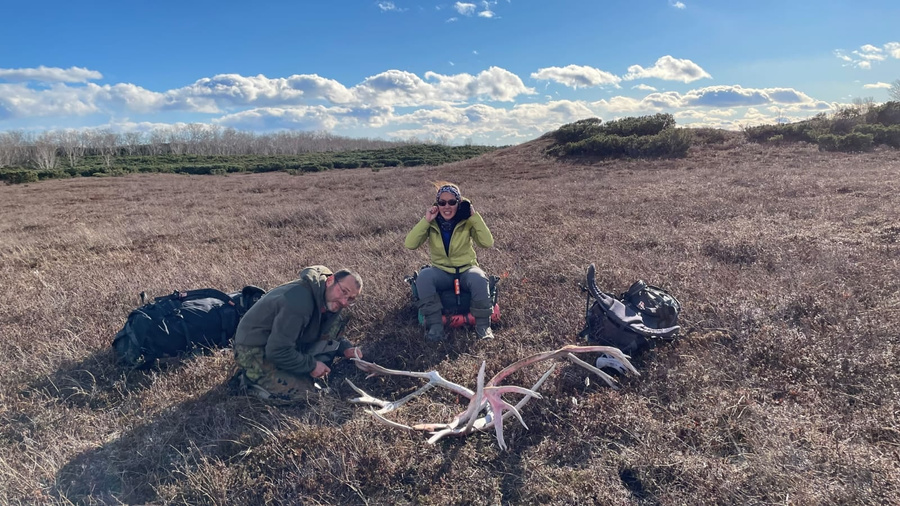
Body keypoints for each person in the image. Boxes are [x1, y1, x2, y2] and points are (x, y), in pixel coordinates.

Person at [232, 265, 363, 403]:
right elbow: (276, 350)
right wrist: (312, 365)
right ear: (330, 280)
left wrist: (346, 349)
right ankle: (249, 381)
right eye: (343, 291)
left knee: (336, 324)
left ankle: (290, 372)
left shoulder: (328, 299)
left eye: (350, 299)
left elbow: (326, 332)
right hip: (253, 350)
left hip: (282, 343)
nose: (344, 301)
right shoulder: (299, 302)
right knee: (305, 394)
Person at [404, 182, 495, 341]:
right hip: (442, 272)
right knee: (424, 277)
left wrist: (474, 217)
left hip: (466, 270)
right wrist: (426, 221)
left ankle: (483, 327)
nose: (447, 206)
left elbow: (487, 243)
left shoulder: (467, 221)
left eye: (452, 202)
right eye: (442, 202)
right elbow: (410, 244)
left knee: (479, 278)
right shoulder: (432, 222)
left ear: (458, 203)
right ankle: (435, 328)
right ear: (437, 204)